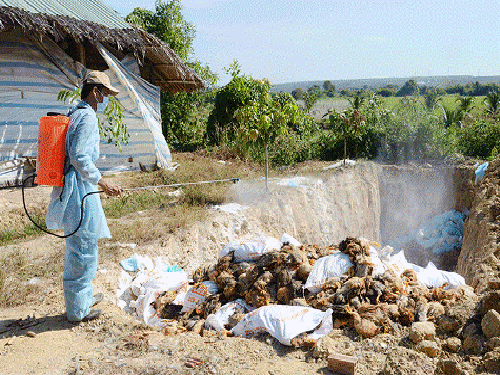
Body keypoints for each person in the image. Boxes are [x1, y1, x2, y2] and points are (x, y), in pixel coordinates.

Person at [46, 71, 121, 322]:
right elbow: (79, 157)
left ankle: (84, 297)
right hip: (79, 189)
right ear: (94, 91)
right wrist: (103, 181)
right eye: (104, 93)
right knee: (83, 247)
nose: (105, 98)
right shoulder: (87, 117)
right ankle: (78, 310)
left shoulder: (75, 113)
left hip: (75, 186)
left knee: (82, 244)